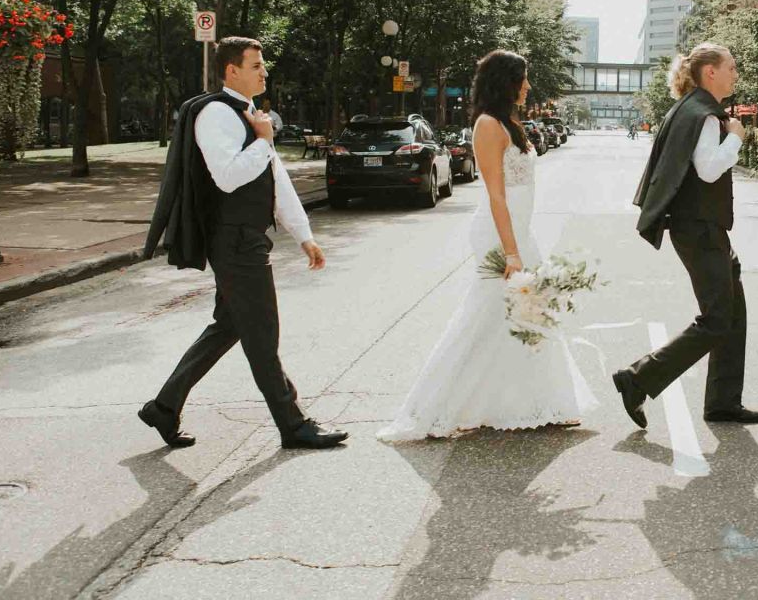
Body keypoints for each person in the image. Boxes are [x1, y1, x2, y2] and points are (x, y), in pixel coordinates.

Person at [376, 50, 596, 441]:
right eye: (523, 79)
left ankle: (542, 402)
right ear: (506, 82)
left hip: (519, 230)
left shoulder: (513, 122)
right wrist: (511, 251)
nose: (528, 86)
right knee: (491, 316)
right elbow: (497, 196)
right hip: (500, 233)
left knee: (528, 313)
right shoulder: (487, 125)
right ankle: (450, 404)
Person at [140, 37, 347, 450]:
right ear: (232, 70)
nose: (264, 72)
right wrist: (264, 140)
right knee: (262, 334)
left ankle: (163, 407)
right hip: (234, 241)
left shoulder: (250, 115)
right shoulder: (216, 114)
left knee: (230, 327)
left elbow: (275, 181)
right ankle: (293, 425)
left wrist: (304, 236)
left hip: (248, 238)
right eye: (256, 65)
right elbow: (229, 175)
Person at [613, 43, 758, 428]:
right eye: (731, 66)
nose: (736, 73)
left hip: (698, 227)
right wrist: (737, 137)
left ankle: (723, 401)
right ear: (710, 72)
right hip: (700, 229)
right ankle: (638, 379)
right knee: (717, 318)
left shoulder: (687, 107)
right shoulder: (707, 116)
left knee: (733, 312)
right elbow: (709, 169)